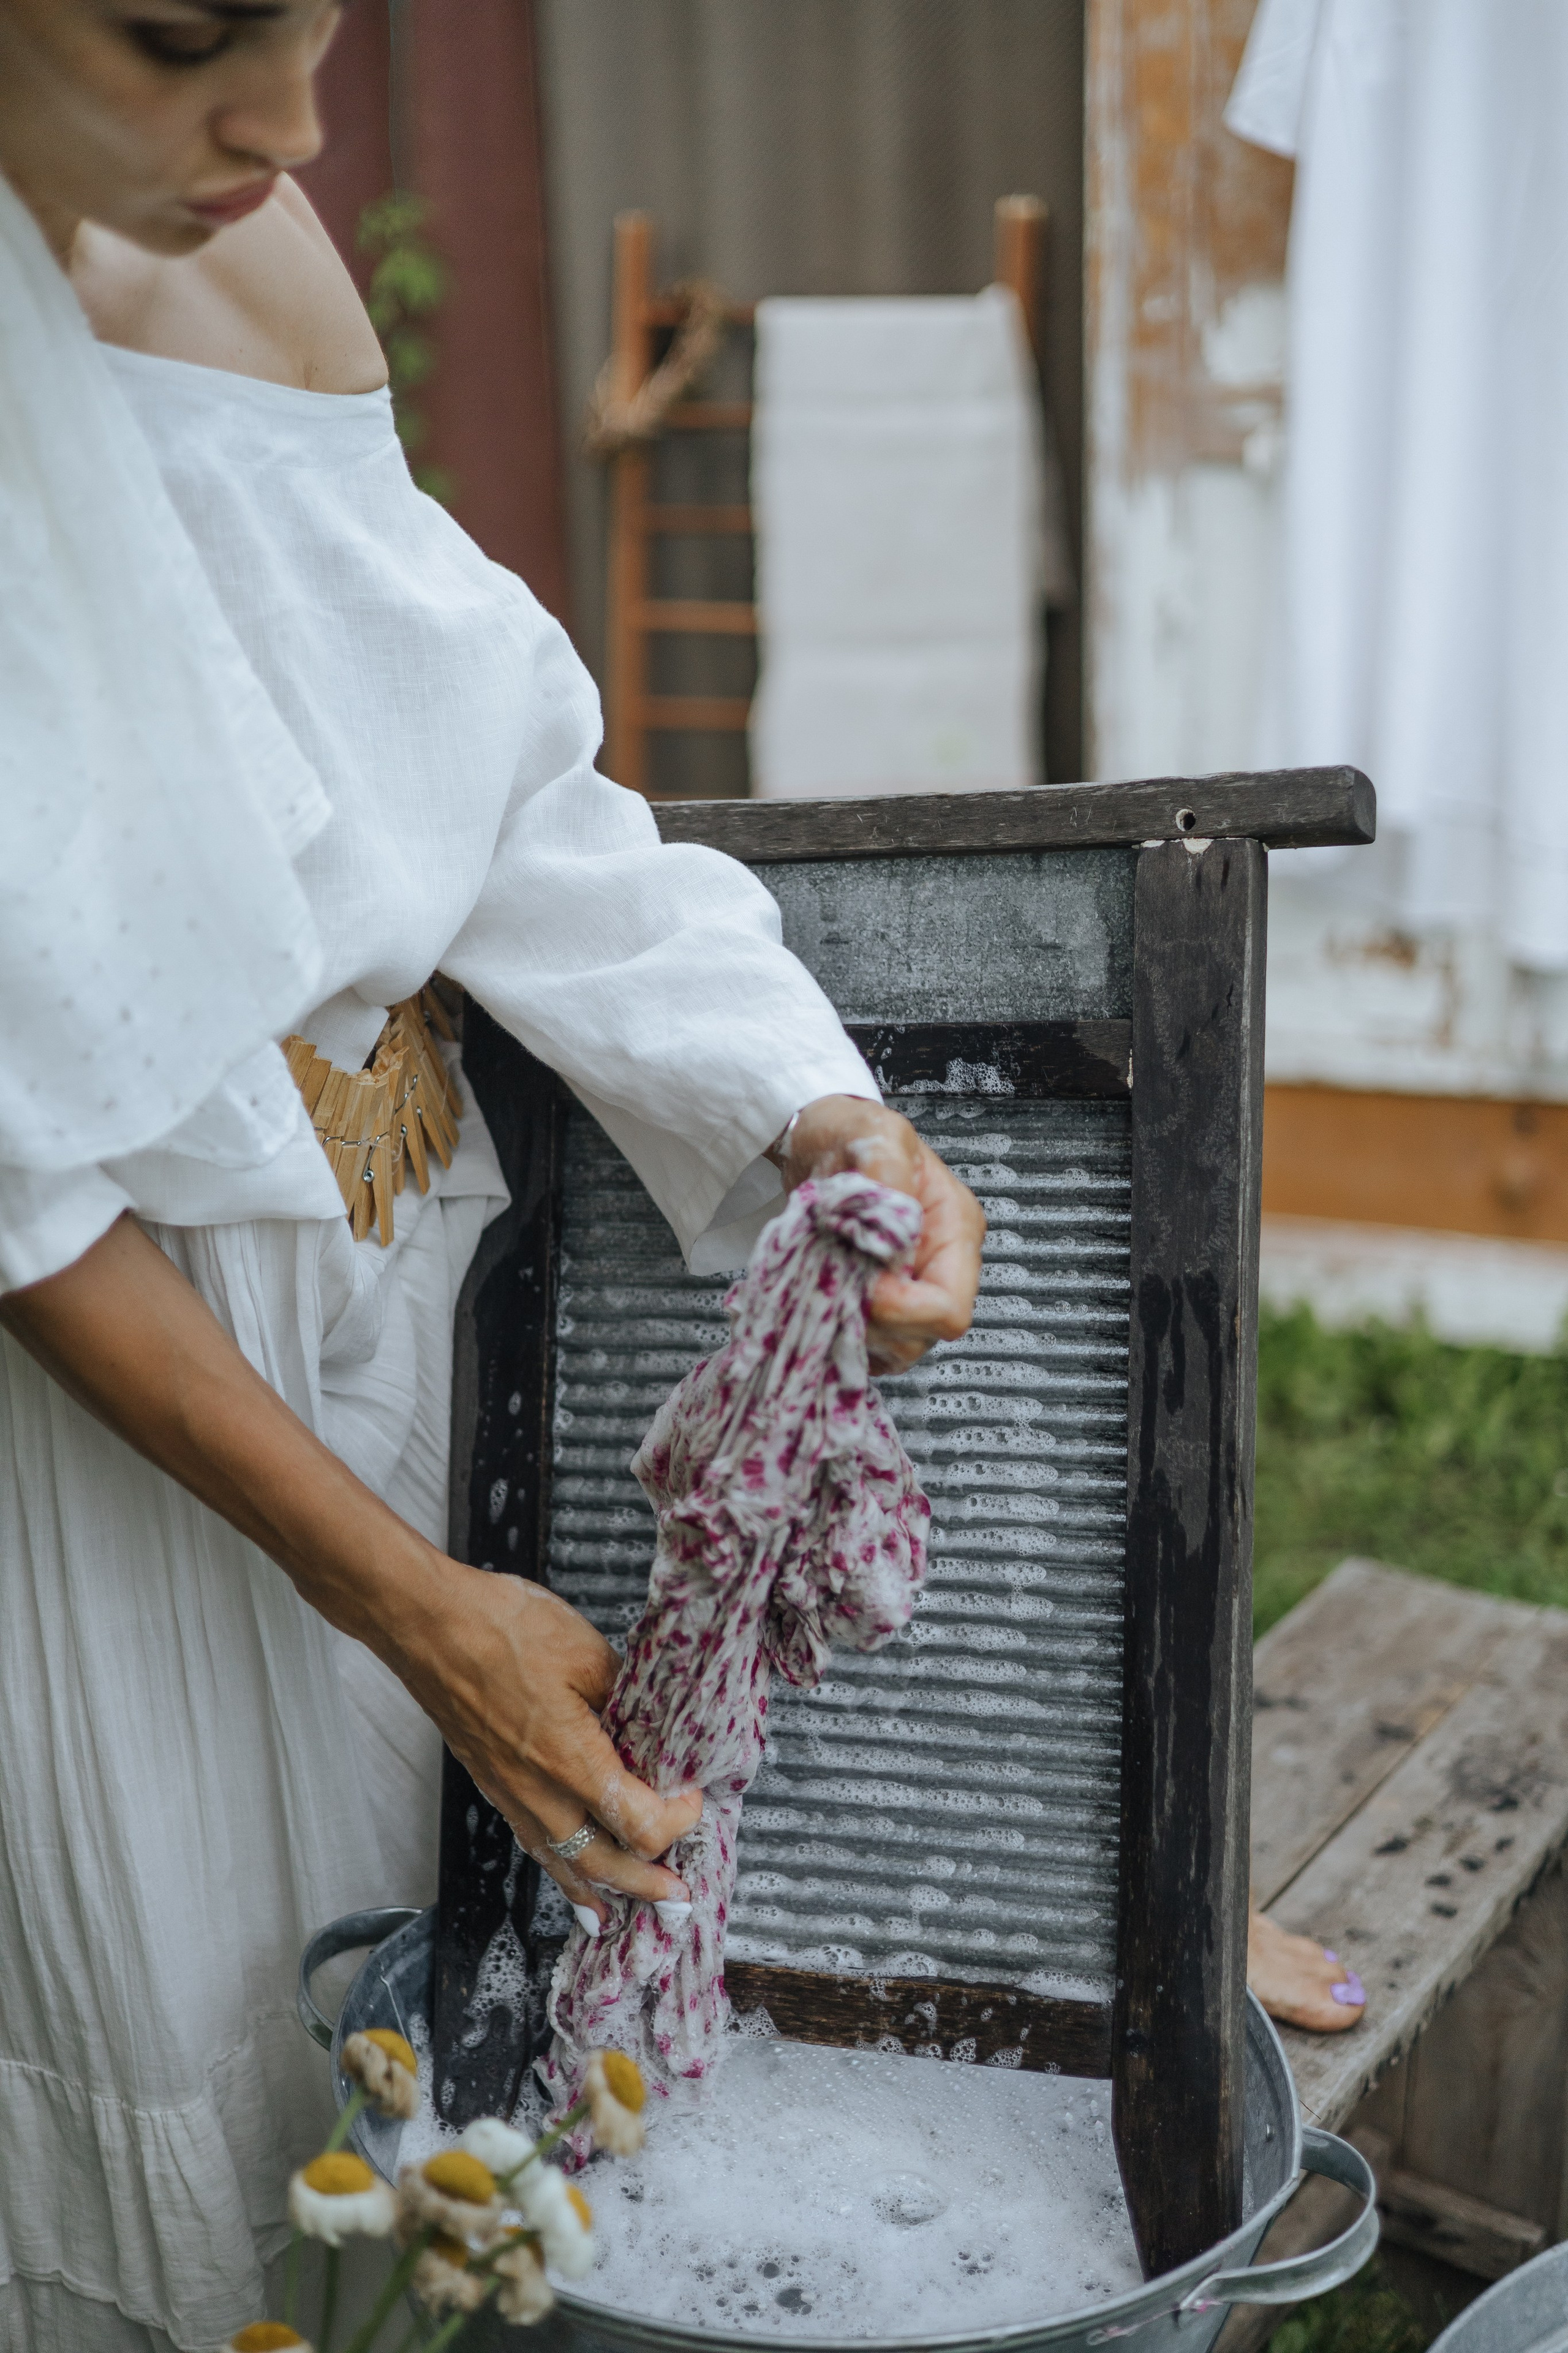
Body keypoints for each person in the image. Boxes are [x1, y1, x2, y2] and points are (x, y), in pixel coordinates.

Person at [0, 6, 986, 2346]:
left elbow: (501, 791)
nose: (290, 128)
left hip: (388, 1288)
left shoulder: (250, 254)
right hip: (102, 1393)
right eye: (180, 44)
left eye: (317, 29)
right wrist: (406, 1600)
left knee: (408, 1998)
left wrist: (802, 1098)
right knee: (153, 2037)